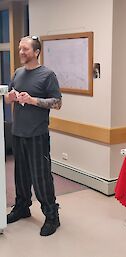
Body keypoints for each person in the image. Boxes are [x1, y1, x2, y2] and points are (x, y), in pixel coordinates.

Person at [4, 36, 62, 236]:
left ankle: (52, 215)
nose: (21, 52)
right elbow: (9, 96)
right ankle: (22, 207)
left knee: (41, 177)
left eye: (25, 49)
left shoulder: (47, 75)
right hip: (18, 133)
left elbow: (57, 103)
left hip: (37, 134)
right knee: (21, 175)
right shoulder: (18, 73)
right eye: (20, 49)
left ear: (36, 52)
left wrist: (33, 100)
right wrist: (9, 98)